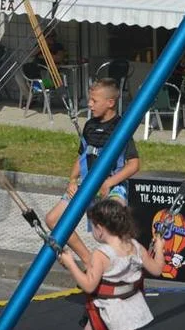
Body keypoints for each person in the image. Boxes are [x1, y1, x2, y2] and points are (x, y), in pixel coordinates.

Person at [58, 198, 165, 330]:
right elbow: (156, 269)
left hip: (106, 314)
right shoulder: (135, 246)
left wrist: (70, 264)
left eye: (93, 227)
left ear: (100, 228)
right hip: (133, 310)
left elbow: (89, 285)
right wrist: (160, 248)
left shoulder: (101, 254)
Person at [46, 78, 141, 265]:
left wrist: (109, 183)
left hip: (112, 184)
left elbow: (134, 164)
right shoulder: (89, 125)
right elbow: (81, 156)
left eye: (94, 101)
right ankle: (87, 259)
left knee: (110, 227)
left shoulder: (121, 127)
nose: (89, 104)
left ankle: (124, 261)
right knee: (52, 219)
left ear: (110, 103)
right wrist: (72, 180)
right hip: (87, 183)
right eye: (89, 100)